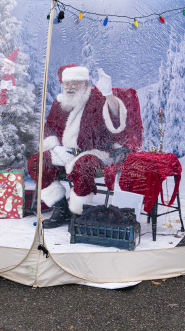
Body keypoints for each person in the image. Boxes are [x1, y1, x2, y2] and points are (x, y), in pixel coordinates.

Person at [28, 65, 136, 228]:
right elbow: (49, 128)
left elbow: (116, 117)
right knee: (36, 162)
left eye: (75, 83)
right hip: (67, 151)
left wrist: (109, 95)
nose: (70, 87)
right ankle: (60, 207)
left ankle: (78, 211)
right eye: (67, 83)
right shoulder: (60, 102)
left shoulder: (98, 98)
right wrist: (57, 148)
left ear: (85, 84)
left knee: (83, 166)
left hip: (98, 151)